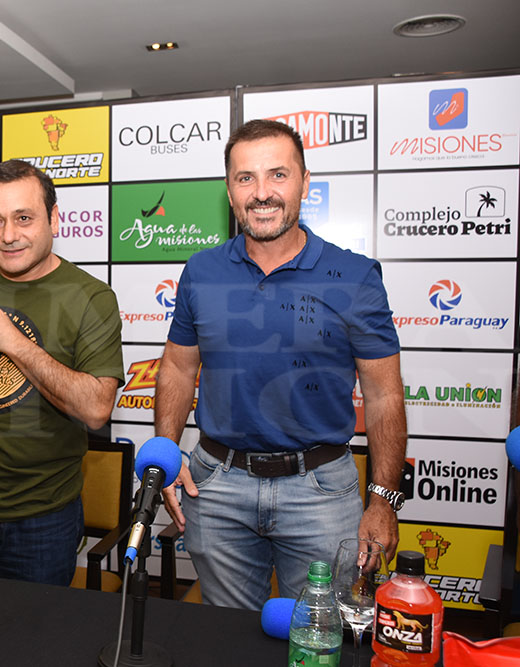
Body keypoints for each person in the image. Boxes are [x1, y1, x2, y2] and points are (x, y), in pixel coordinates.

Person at [155, 119, 406, 609]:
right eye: (245, 178)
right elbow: (178, 369)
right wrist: (166, 449)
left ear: (305, 183)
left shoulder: (355, 276)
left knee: (318, 638)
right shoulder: (201, 271)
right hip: (216, 488)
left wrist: (383, 500)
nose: (261, 193)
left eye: (278, 175)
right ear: (229, 190)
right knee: (226, 636)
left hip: (320, 491)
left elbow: (384, 394)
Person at [0, 159, 123, 585]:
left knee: (34, 628)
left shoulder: (91, 297)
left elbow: (95, 409)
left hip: (42, 518)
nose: (9, 235)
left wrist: (13, 342)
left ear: (54, 218)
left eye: (23, 218)